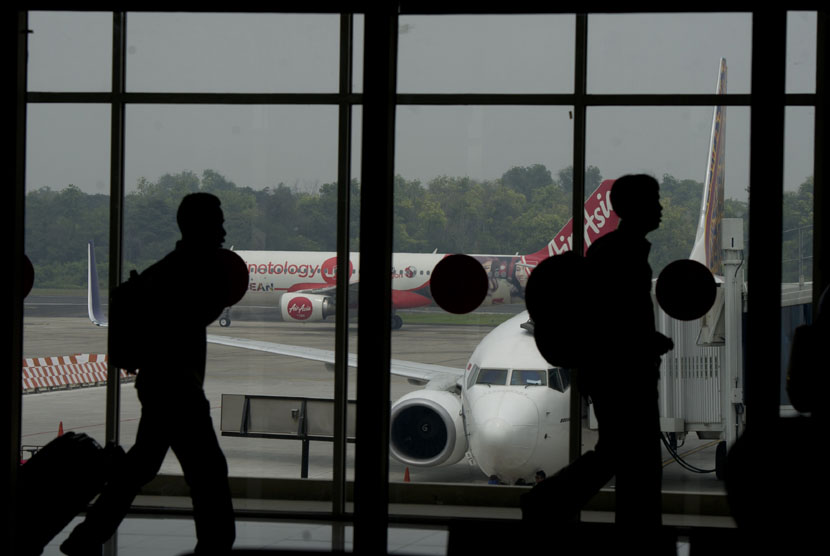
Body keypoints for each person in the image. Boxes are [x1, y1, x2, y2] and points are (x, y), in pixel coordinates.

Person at [61, 193, 236, 556]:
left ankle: (86, 538)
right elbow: (185, 323)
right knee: (208, 473)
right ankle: (216, 546)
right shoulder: (185, 273)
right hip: (177, 387)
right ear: (197, 225)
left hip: (161, 384)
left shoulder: (171, 269)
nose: (222, 229)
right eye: (216, 221)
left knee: (140, 466)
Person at [522, 175, 673, 545]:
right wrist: (647, 342)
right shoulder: (625, 258)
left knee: (619, 455)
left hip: (613, 373)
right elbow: (615, 324)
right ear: (634, 208)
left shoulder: (614, 252)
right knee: (633, 461)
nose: (660, 208)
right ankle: (552, 502)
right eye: (653, 201)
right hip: (624, 377)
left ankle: (550, 502)